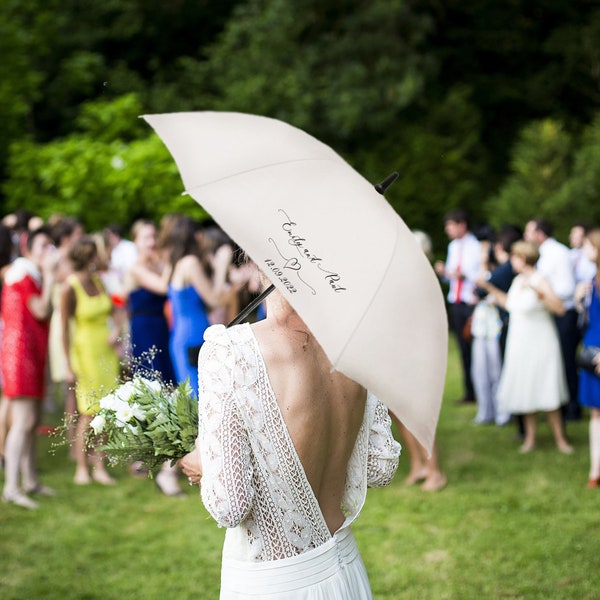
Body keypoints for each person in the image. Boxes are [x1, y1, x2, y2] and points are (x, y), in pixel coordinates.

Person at [181, 284, 400, 599]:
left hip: (275, 584)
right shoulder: (356, 343)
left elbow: (230, 506)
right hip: (346, 571)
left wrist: (205, 462)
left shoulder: (230, 350)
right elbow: (380, 467)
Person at [479, 241, 572, 454]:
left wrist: (542, 294)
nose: (511, 261)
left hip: (541, 340)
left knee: (546, 386)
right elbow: (511, 305)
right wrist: (489, 288)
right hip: (520, 341)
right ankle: (530, 439)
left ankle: (560, 439)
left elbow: (559, 309)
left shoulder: (540, 279)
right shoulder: (517, 280)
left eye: (513, 257)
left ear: (522, 258)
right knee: (526, 387)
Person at [123, 219, 182, 496]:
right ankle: (145, 453)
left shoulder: (158, 264)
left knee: (167, 388)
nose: (152, 242)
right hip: (144, 328)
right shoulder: (136, 268)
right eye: (146, 237)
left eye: (153, 236)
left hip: (160, 327)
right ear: (135, 241)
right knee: (149, 389)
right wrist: (171, 260)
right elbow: (162, 287)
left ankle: (160, 453)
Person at [1, 227, 58, 509]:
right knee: (22, 422)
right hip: (20, 356)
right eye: (44, 246)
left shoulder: (27, 275)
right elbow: (41, 310)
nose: (49, 252)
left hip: (31, 355)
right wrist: (49, 276)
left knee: (32, 422)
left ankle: (30, 480)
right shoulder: (22, 275)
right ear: (28, 250)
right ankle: (11, 487)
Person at [61, 236, 123, 485]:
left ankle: (100, 465)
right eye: (96, 254)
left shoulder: (99, 281)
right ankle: (81, 467)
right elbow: (63, 329)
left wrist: (117, 331)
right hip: (85, 352)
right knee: (88, 412)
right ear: (88, 257)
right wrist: (67, 363)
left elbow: (115, 310)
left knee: (107, 411)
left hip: (105, 352)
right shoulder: (70, 287)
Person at [166, 217, 235, 396]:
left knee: (192, 397)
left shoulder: (177, 262)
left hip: (181, 336)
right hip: (194, 336)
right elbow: (214, 300)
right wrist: (221, 266)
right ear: (197, 236)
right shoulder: (190, 262)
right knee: (200, 397)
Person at [524, 218, 579, 421]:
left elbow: (567, 288)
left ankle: (572, 410)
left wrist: (544, 291)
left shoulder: (557, 253)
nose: (525, 236)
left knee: (566, 361)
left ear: (539, 234)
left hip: (564, 314)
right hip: (549, 313)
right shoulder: (544, 253)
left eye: (528, 232)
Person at [472, 225, 521, 426]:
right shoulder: (499, 268)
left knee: (495, 370)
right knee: (481, 370)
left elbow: (481, 290)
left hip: (496, 326)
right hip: (483, 324)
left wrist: (484, 264)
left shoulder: (503, 269)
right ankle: (487, 411)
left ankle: (501, 412)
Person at [435, 209, 481, 404]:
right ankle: (469, 391)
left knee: (474, 348)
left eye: (450, 226)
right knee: (462, 349)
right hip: (456, 301)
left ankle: (480, 391)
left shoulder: (476, 246)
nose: (448, 230)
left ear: (462, 224)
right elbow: (452, 276)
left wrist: (451, 272)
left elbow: (469, 274)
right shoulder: (453, 246)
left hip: (470, 302)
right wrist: (444, 272)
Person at [574, 229, 600, 488]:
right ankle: (595, 469)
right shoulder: (592, 280)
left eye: (589, 247)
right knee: (596, 412)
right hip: (592, 348)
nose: (585, 251)